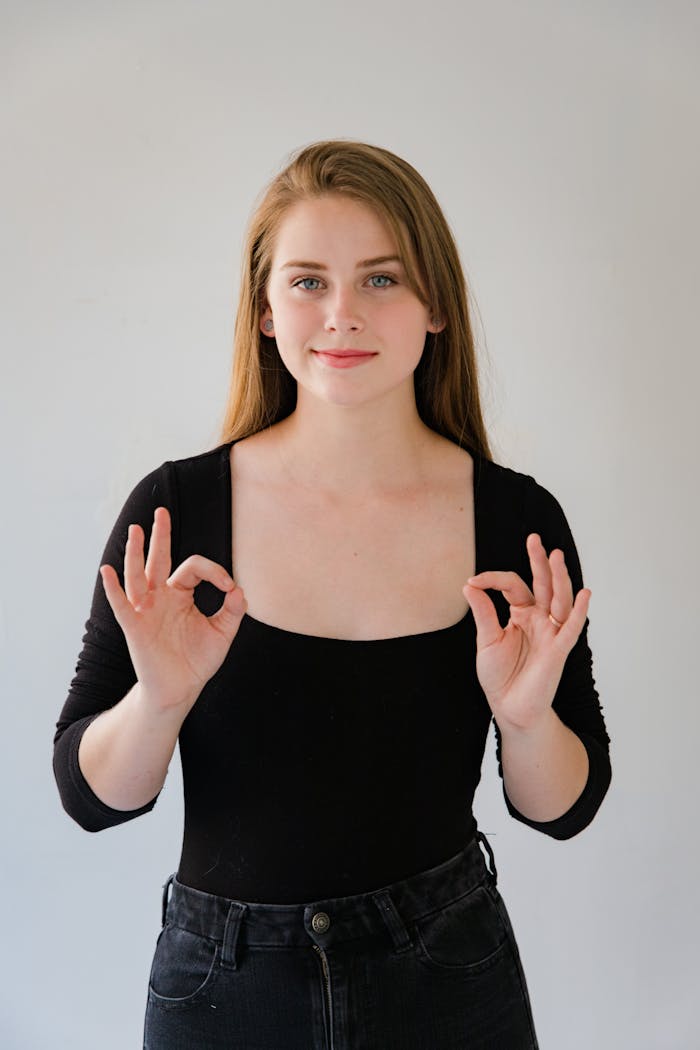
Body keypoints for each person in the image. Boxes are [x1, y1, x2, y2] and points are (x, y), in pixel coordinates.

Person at [53, 140, 611, 1050]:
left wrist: (526, 718)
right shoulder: (177, 510)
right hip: (223, 995)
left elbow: (565, 807)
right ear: (266, 311)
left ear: (435, 305)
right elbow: (92, 797)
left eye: (382, 280)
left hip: (449, 980)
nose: (342, 314)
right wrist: (159, 701)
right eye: (308, 281)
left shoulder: (516, 516)